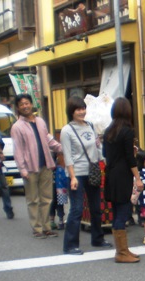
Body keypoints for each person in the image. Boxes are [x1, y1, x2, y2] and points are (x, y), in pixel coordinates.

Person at [60, 96, 112, 255]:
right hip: (77, 173)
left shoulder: (90, 125)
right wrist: (72, 176)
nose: (82, 112)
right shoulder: (67, 130)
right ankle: (70, 245)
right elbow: (67, 156)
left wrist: (104, 161)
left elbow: (97, 147)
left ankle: (97, 238)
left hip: (93, 171)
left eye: (83, 108)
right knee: (76, 209)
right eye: (78, 109)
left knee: (96, 207)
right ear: (71, 112)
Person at [11, 94, 63, 238]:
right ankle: (37, 228)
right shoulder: (17, 127)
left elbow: (48, 139)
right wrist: (22, 169)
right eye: (21, 104)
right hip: (30, 168)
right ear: (18, 107)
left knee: (46, 198)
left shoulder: (40, 121)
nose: (25, 106)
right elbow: (18, 150)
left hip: (46, 165)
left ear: (31, 104)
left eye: (27, 103)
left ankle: (46, 227)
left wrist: (62, 148)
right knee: (33, 200)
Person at [103, 97, 144, 264]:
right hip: (122, 176)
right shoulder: (127, 131)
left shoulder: (108, 131)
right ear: (128, 111)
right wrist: (138, 178)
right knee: (124, 212)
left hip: (111, 174)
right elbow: (129, 158)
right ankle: (121, 252)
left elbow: (106, 154)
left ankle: (123, 250)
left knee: (117, 211)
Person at [49, 153, 68, 230]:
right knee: (54, 201)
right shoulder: (52, 153)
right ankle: (53, 221)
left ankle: (60, 220)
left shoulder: (61, 156)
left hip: (59, 182)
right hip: (54, 182)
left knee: (59, 201)